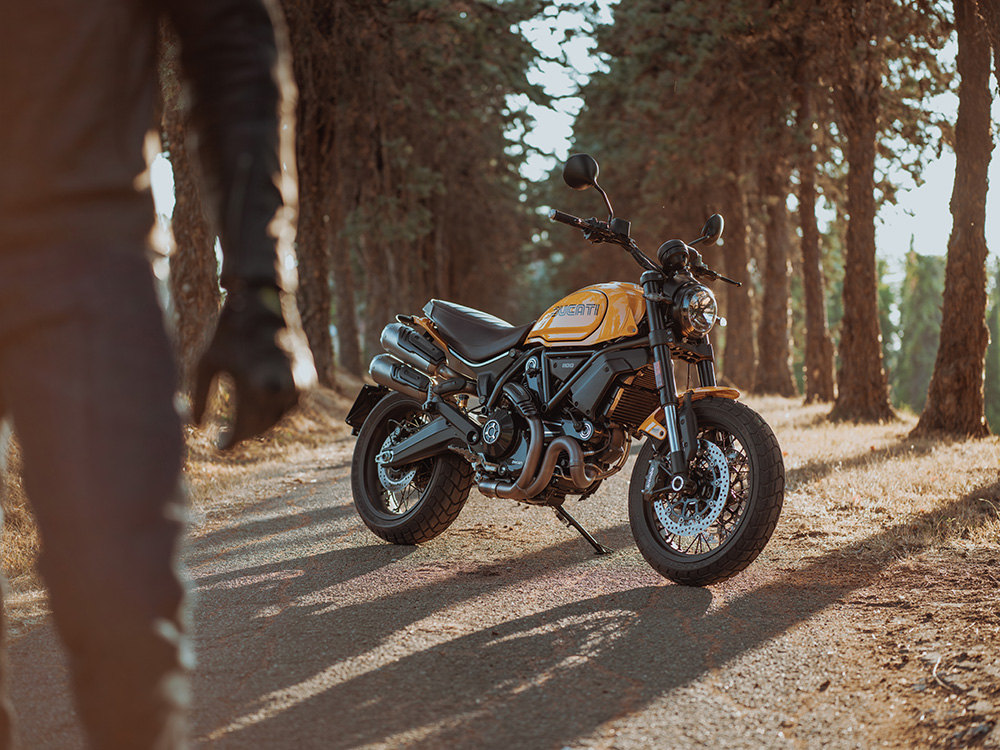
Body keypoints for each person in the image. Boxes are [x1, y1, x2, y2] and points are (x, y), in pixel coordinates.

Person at [0, 0, 300, 746]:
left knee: (123, 607)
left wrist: (260, 286)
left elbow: (229, 43)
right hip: (87, 260)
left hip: (83, 252)